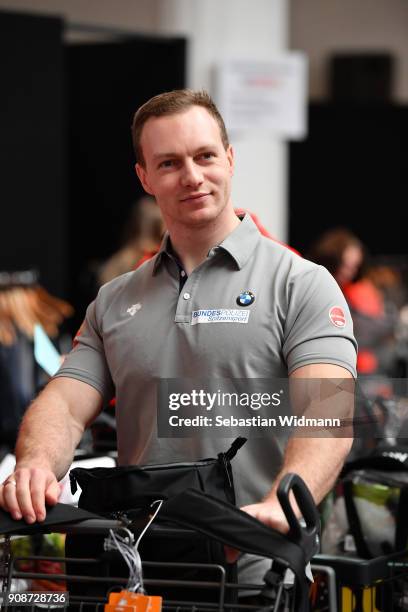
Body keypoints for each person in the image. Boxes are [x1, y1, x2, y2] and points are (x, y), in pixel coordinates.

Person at [0, 89, 357, 585]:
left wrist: (284, 498)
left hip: (258, 574)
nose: (192, 176)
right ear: (144, 177)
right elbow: (63, 403)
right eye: (168, 163)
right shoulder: (114, 300)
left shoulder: (301, 283)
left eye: (205, 156)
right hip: (138, 574)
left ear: (229, 159)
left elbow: (328, 412)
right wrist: (36, 465)